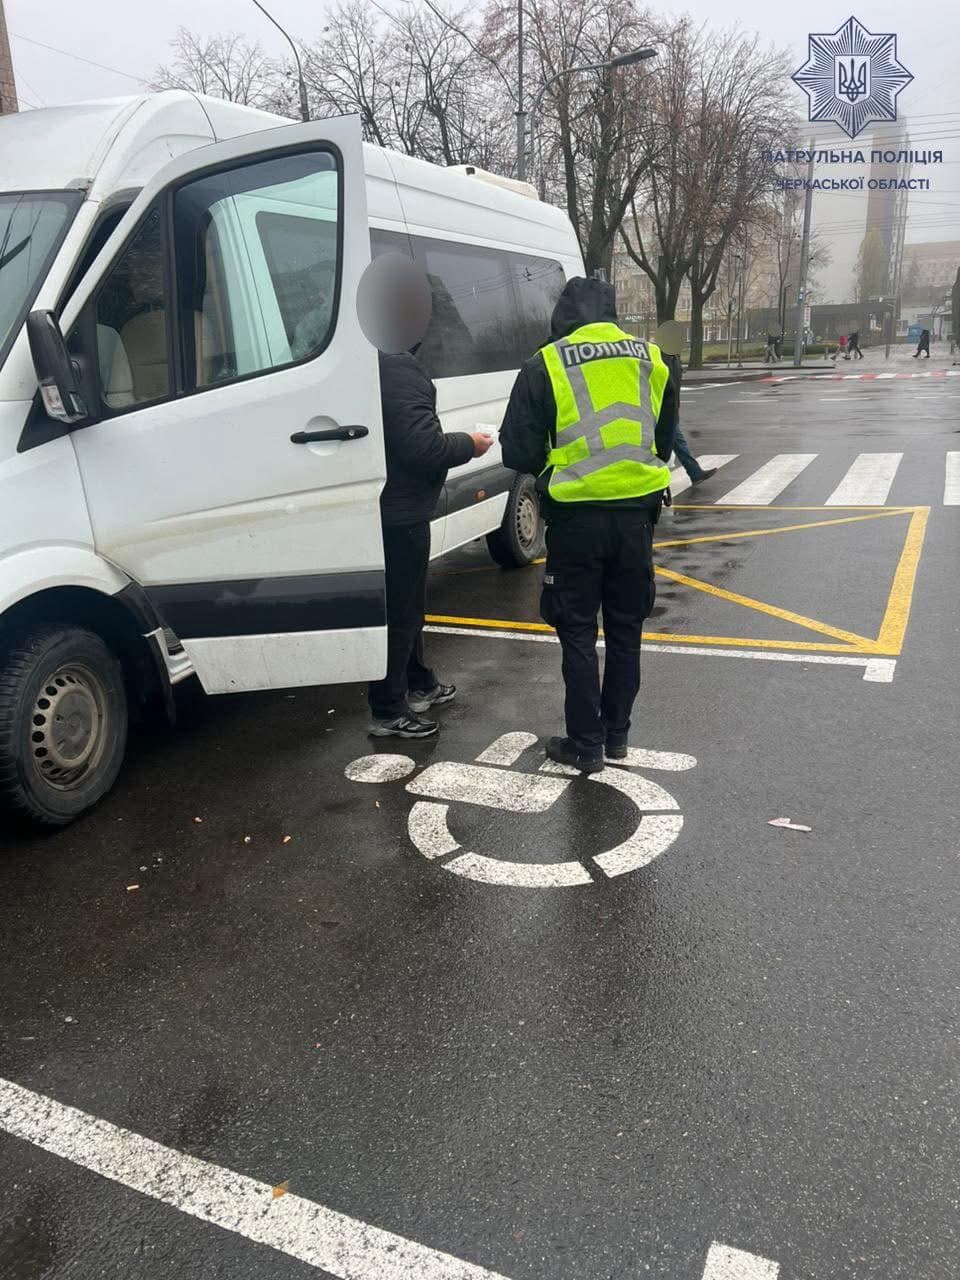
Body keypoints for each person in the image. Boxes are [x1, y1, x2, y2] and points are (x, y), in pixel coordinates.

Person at [500, 277, 678, 773]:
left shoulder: (547, 363)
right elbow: (663, 441)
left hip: (575, 519)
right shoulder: (654, 359)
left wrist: (557, 467)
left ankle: (586, 743)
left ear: (563, 318)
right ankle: (617, 735)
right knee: (626, 631)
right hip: (636, 519)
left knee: (577, 632)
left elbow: (517, 450)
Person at [361, 253, 493, 739]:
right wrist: (471, 445)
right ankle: (389, 708)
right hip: (399, 512)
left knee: (409, 604)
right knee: (401, 610)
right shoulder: (397, 367)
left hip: (392, 507)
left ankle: (419, 682)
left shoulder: (378, 360)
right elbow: (422, 448)